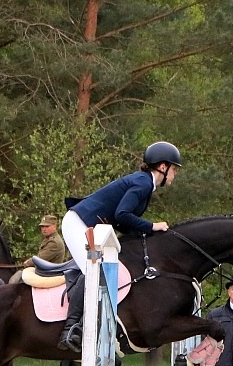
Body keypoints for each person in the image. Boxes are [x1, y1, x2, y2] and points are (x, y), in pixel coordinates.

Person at [57, 141, 182, 351]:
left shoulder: (145, 184)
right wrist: (152, 226)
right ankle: (70, 329)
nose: (174, 174)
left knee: (103, 268)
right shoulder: (142, 183)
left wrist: (147, 236)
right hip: (78, 223)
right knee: (94, 270)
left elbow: (123, 222)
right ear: (163, 166)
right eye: (174, 169)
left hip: (90, 225)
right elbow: (122, 215)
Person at [10, 214, 69, 283]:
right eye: (42, 226)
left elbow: (40, 259)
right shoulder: (49, 239)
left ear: (54, 226)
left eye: (47, 226)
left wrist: (28, 262)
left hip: (48, 275)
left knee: (16, 280)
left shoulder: (54, 242)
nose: (44, 229)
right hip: (43, 272)